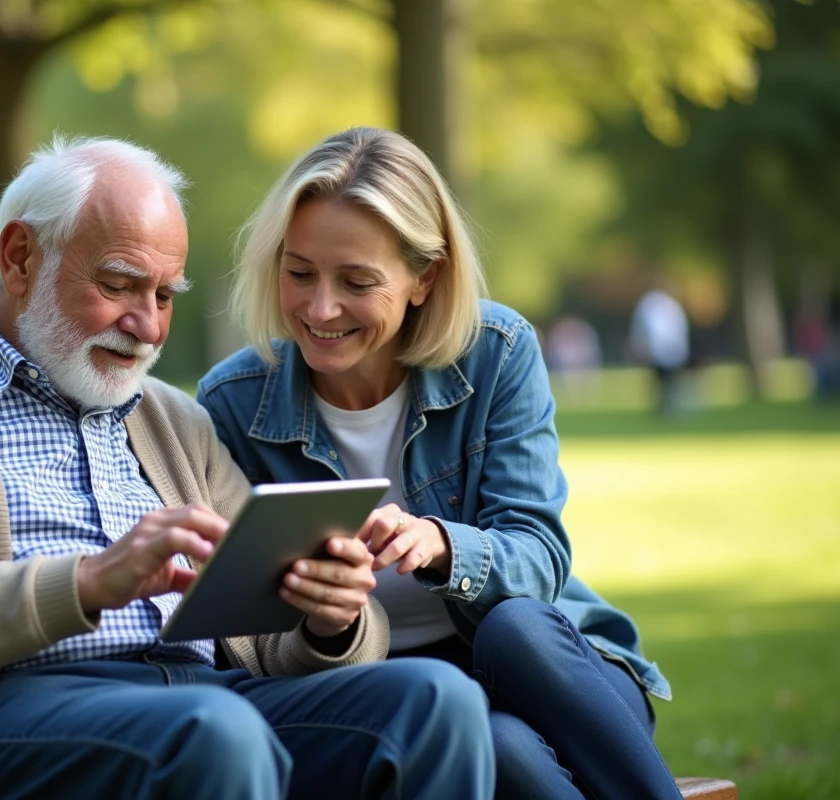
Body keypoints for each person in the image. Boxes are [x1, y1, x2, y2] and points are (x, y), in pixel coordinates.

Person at [0, 135, 495, 800]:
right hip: (4, 713)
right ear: (20, 258)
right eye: (121, 285)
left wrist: (330, 620)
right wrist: (92, 581)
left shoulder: (170, 418)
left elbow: (268, 641)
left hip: (201, 700)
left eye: (164, 296)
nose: (149, 325)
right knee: (213, 735)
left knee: (436, 701)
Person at [197, 127, 681, 800]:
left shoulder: (497, 353)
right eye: (299, 272)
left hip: (558, 679)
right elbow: (234, 625)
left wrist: (443, 545)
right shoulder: (231, 403)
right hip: (403, 701)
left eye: (357, 281)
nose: (320, 307)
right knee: (497, 742)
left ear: (425, 276)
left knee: (513, 629)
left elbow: (540, 556)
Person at [628, 286, 691, 414]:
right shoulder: (666, 304)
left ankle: (668, 404)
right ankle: (664, 405)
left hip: (667, 348)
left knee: (668, 380)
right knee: (662, 380)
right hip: (662, 348)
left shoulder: (654, 304)